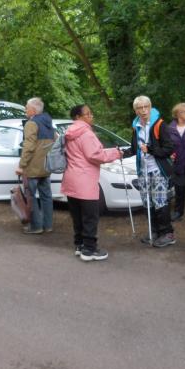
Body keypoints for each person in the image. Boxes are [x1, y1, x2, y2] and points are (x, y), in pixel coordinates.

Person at [61, 104, 122, 262]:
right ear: (78, 117)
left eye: (90, 113)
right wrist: (117, 153)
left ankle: (79, 245)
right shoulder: (86, 133)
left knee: (77, 216)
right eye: (87, 114)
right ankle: (89, 250)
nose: (91, 116)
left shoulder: (69, 133)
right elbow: (95, 155)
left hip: (71, 179)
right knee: (90, 217)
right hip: (85, 181)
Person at [123, 95, 176, 247]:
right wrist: (122, 153)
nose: (144, 110)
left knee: (160, 201)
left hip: (157, 170)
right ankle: (154, 231)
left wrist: (151, 150)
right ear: (135, 110)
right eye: (140, 108)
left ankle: (167, 233)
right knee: (147, 202)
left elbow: (169, 148)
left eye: (146, 106)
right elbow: (135, 148)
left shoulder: (159, 125)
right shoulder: (136, 126)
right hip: (143, 170)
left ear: (150, 107)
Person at [16, 97, 54, 234]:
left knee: (30, 197)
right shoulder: (49, 123)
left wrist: (21, 165)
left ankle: (36, 226)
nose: (25, 109)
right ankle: (48, 225)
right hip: (46, 167)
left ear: (33, 110)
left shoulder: (31, 124)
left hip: (33, 168)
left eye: (26, 107)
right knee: (46, 197)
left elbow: (29, 147)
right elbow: (55, 140)